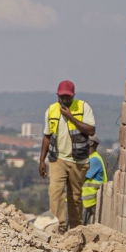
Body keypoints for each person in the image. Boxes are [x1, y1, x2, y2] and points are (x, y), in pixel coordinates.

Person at [38, 80, 96, 232]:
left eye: (68, 97)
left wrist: (70, 117)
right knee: (55, 192)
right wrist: (41, 160)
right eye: (62, 97)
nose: (64, 100)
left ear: (73, 96)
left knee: (75, 197)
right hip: (58, 159)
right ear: (57, 95)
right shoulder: (51, 110)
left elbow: (91, 130)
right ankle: (59, 227)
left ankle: (76, 230)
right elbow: (47, 135)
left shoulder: (83, 107)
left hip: (78, 161)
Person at [82, 136, 106, 226]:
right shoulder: (90, 158)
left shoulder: (94, 160)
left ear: (91, 143)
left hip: (90, 201)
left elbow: (81, 177)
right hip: (86, 201)